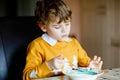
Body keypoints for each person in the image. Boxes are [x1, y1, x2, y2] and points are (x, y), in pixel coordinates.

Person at [23, 0, 103, 80]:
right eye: (57, 27)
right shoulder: (37, 46)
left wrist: (93, 68)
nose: (64, 30)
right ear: (43, 27)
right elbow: (26, 76)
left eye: (67, 24)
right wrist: (48, 65)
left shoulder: (73, 43)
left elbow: (86, 67)